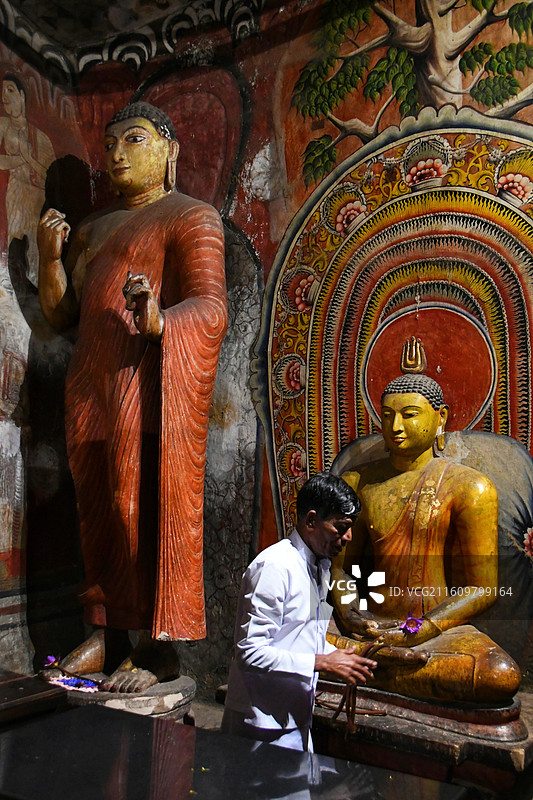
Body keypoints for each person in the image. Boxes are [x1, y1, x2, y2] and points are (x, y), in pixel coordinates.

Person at [37, 102, 227, 692]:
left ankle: (153, 645)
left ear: (170, 151)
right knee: (92, 507)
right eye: (110, 142)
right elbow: (61, 312)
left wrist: (160, 321)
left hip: (142, 384)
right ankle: (104, 629)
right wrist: (49, 259)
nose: (116, 154)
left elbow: (212, 307)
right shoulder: (92, 228)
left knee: (132, 504)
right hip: (89, 382)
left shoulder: (191, 218)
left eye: (133, 140)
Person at [329, 365, 521, 704]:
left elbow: (483, 588)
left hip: (435, 633)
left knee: (499, 674)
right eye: (387, 416)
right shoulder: (358, 483)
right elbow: (338, 567)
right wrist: (349, 611)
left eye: (410, 414)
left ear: (440, 418)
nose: (396, 427)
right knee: (297, 640)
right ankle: (383, 662)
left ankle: (374, 664)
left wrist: (416, 631)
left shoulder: (470, 487)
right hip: (367, 626)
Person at [221, 472, 377, 751]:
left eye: (351, 527)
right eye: (341, 527)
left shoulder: (319, 566)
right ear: (311, 521)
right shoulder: (274, 568)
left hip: (294, 718)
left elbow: (302, 638)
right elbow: (250, 652)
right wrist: (323, 662)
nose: (349, 537)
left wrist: (345, 656)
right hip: (260, 726)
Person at [0, 73, 54, 286]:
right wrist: (18, 160)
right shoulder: (3, 126)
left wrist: (28, 157)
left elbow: (48, 176)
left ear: (22, 96)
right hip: (15, 192)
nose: (5, 96)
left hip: (35, 197)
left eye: (10, 90)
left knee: (34, 249)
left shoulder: (40, 137)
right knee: (14, 242)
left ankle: (36, 291)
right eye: (3, 91)